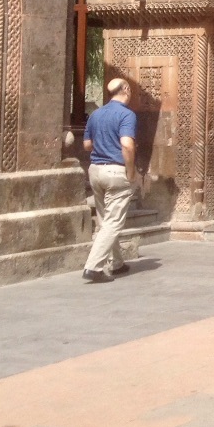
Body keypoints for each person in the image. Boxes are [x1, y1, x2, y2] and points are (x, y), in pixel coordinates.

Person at [82, 77, 138, 283]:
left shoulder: (96, 114)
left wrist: (104, 143)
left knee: (105, 219)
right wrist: (130, 172)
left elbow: (87, 145)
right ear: (125, 89)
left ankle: (116, 263)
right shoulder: (126, 115)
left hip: (96, 170)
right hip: (116, 171)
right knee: (113, 222)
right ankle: (93, 267)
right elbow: (127, 145)